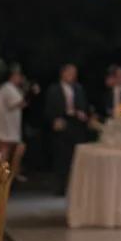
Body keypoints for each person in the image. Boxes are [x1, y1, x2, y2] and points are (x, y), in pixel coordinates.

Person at [44, 62, 91, 193]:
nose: (72, 76)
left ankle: (76, 186)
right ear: (63, 73)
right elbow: (49, 108)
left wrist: (82, 113)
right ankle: (60, 187)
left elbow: (83, 105)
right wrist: (54, 120)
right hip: (62, 124)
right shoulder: (54, 89)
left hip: (76, 124)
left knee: (76, 155)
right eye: (70, 73)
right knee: (61, 156)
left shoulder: (78, 88)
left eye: (74, 73)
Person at [0, 65, 31, 179]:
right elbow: (15, 103)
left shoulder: (13, 89)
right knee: (3, 152)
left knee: (14, 150)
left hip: (12, 126)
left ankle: (11, 174)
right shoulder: (7, 88)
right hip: (5, 126)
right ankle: (0, 176)